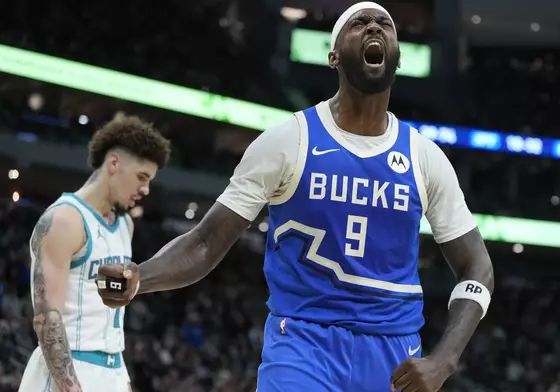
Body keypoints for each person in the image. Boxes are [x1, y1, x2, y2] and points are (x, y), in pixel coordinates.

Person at [96, 2, 494, 391]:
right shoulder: (288, 141)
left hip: (393, 355)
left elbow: (478, 267)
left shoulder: (424, 157)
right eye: (360, 23)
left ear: (398, 58)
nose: (374, 27)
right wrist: (140, 277)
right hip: (304, 343)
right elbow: (205, 242)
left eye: (384, 24)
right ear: (334, 56)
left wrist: (444, 360)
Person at [19, 116, 171, 392]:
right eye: (141, 177)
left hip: (112, 369)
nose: (146, 189)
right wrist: (71, 386)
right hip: (67, 370)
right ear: (114, 164)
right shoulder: (64, 219)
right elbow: (46, 317)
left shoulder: (126, 224)